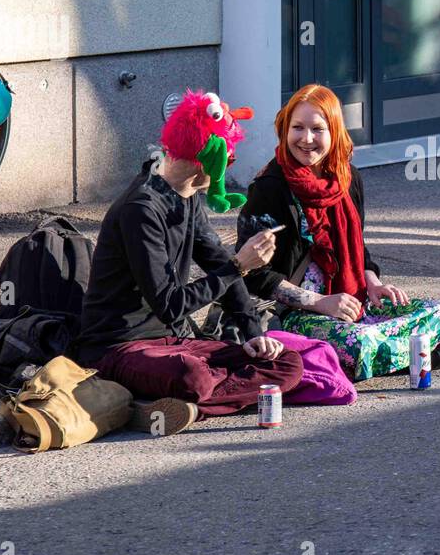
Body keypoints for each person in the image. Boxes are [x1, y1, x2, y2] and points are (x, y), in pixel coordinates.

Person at [67, 90, 304, 434]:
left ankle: (180, 406)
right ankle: (185, 399)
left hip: (174, 342)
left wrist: (252, 333)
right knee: (190, 376)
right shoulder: (142, 209)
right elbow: (170, 304)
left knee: (285, 362)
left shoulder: (186, 195)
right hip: (118, 347)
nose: (229, 168)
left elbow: (216, 259)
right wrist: (240, 266)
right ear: (208, 160)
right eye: (230, 160)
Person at [239, 84, 440, 382]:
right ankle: (406, 355)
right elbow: (253, 274)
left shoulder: (348, 177)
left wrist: (372, 282)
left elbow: (358, 246)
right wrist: (320, 302)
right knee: (360, 342)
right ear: (285, 129)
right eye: (297, 128)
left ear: (334, 132)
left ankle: (371, 359)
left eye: (317, 129)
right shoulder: (270, 187)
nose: (306, 139)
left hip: (354, 301)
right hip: (300, 312)